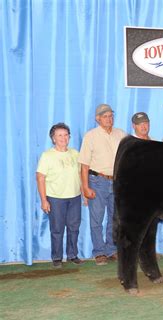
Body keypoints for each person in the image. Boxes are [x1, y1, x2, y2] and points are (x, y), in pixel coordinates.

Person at [78, 104, 127, 265]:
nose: (109, 118)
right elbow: (84, 165)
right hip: (97, 181)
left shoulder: (121, 134)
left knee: (115, 218)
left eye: (111, 115)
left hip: (117, 181)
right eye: (105, 116)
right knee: (97, 219)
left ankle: (111, 249)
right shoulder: (90, 136)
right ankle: (99, 252)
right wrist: (85, 187)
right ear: (97, 119)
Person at [36, 123, 83, 268]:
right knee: (57, 229)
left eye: (66, 135)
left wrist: (84, 193)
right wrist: (44, 200)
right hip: (56, 198)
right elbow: (40, 177)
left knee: (74, 227)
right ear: (53, 138)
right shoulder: (47, 155)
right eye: (59, 135)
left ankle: (72, 255)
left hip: (75, 197)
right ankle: (56, 257)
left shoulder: (75, 153)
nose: (63, 138)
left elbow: (80, 174)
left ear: (69, 137)